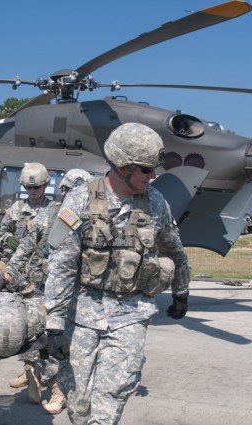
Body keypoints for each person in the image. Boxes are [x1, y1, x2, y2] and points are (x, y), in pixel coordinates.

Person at [44, 122, 191, 424]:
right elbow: (62, 264)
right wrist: (55, 323)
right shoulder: (79, 200)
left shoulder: (155, 202)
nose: (153, 176)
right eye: (146, 170)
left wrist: (181, 290)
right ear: (123, 167)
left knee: (109, 402)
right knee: (79, 406)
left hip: (131, 313)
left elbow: (174, 249)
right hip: (81, 315)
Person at [0, 169, 92, 415]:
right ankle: (52, 385)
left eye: (82, 193)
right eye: (71, 192)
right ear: (64, 192)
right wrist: (6, 275)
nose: (76, 198)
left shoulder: (98, 221)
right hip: (49, 292)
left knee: (79, 349)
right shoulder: (51, 217)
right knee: (47, 340)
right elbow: (23, 252)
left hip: (86, 299)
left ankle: (70, 389)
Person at [0, 162, 51, 263]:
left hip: (43, 264)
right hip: (18, 263)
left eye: (36, 187)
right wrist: (8, 238)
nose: (32, 191)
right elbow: (3, 232)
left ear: (44, 185)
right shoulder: (17, 208)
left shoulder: (54, 209)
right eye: (28, 187)